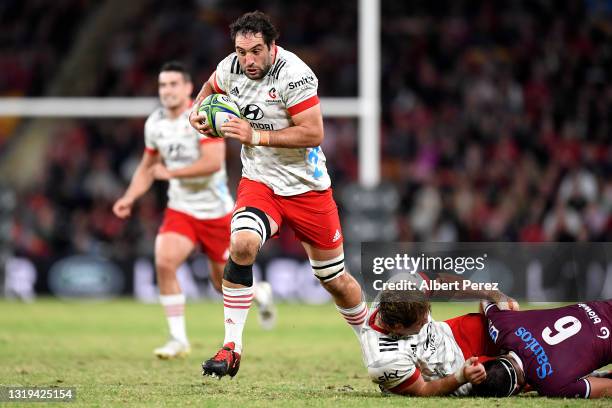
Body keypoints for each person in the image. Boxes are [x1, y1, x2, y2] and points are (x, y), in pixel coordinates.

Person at [189, 11, 367, 378]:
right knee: (240, 245)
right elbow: (208, 89)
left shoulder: (295, 74)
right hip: (260, 182)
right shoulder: (231, 67)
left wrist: (257, 136)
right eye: (242, 51)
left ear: (272, 46)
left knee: (335, 280)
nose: (248, 60)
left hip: (308, 189)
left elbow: (313, 132)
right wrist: (197, 112)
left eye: (256, 51)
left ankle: (370, 339)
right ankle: (231, 347)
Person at [113, 61, 275, 360]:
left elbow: (212, 163)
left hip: (216, 212)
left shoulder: (204, 114)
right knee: (164, 261)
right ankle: (177, 338)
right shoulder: (155, 123)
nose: (167, 91)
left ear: (188, 88)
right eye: (163, 85)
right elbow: (148, 167)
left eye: (174, 84)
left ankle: (260, 293)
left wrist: (171, 173)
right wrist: (129, 197)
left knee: (221, 284)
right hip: (181, 210)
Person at [360, 276, 517, 397]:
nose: (427, 319)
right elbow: (423, 389)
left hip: (453, 332)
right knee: (518, 368)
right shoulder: (383, 361)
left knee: (517, 327)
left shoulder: (403, 283)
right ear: (398, 327)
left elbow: (441, 282)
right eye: (421, 323)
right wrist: (461, 376)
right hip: (453, 372)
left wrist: (488, 292)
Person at [473, 300, 612, 398]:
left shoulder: (552, 386)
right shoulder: (503, 327)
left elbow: (608, 387)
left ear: (515, 389)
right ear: (496, 358)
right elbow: (486, 298)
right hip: (604, 307)